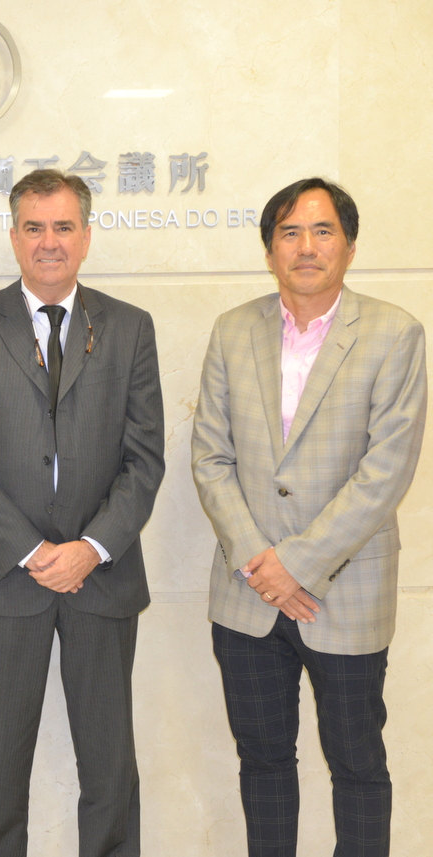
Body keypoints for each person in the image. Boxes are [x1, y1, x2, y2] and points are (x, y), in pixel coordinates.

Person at [191, 178, 427, 857]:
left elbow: (385, 472)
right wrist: (259, 562)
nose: (306, 246)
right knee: (263, 762)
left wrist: (295, 564)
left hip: (346, 593)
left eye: (323, 231)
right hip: (247, 595)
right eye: (289, 232)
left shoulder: (394, 333)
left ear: (349, 246)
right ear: (269, 249)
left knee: (357, 763)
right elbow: (211, 457)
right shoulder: (233, 330)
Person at [0, 169, 165, 857]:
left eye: (63, 226)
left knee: (109, 764)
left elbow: (144, 458)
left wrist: (90, 548)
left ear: (86, 236)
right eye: (34, 227)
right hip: (6, 578)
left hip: (103, 576)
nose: (49, 242)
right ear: (13, 237)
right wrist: (33, 551)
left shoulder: (130, 327)